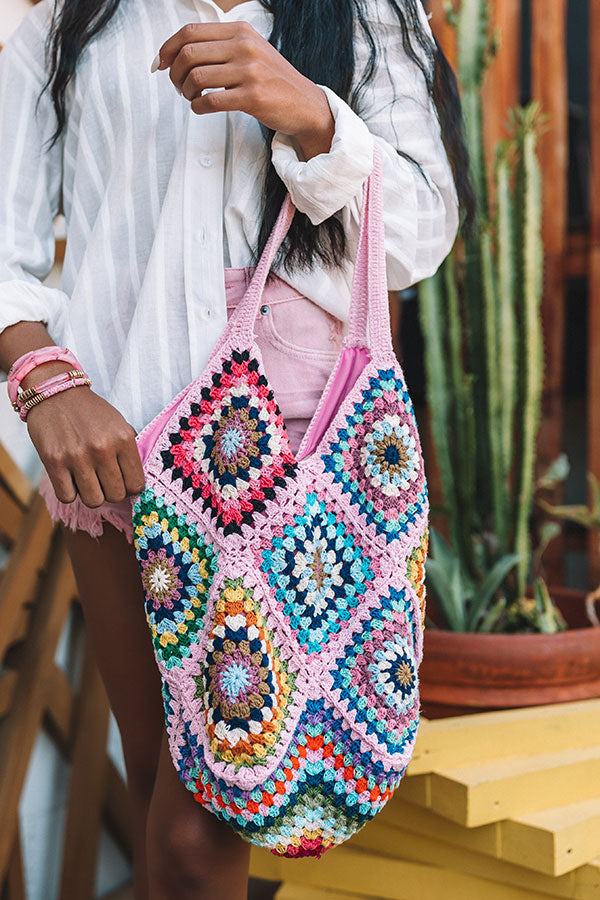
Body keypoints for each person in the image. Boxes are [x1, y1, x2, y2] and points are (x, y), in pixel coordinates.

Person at [0, 0, 474, 896]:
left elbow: (418, 234)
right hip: (115, 445)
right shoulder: (72, 19)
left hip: (295, 455)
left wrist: (313, 115)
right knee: (155, 782)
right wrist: (44, 380)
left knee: (194, 831)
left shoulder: (366, 13)